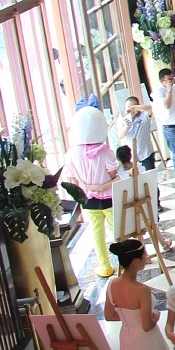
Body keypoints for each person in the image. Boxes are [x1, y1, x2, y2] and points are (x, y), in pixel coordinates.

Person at [65, 98, 119, 278]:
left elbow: (74, 181)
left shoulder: (70, 155)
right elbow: (113, 176)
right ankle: (123, 263)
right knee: (118, 231)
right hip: (110, 198)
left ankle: (105, 266)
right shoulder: (106, 152)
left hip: (88, 200)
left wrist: (87, 186)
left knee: (97, 233)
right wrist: (102, 185)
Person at [118, 96, 156, 175]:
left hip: (146, 153)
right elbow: (121, 136)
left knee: (150, 177)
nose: (131, 110)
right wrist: (126, 126)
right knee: (136, 179)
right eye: (128, 108)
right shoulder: (123, 120)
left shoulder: (144, 116)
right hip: (132, 156)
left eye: (133, 107)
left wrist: (135, 107)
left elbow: (149, 108)